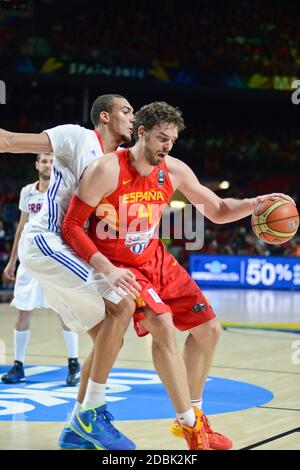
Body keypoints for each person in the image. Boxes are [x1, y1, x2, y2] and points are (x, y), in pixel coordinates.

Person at [62, 101, 295, 451]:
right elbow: (72, 225)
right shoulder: (107, 169)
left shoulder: (173, 170)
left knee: (208, 330)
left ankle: (193, 416)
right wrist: (106, 268)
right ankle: (191, 429)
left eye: (171, 140)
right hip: (121, 265)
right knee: (164, 325)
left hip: (156, 259)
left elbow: (216, 210)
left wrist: (254, 203)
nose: (167, 146)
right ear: (141, 133)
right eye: (161, 138)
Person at [0, 94, 140, 451]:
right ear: (105, 117)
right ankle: (93, 413)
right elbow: (9, 140)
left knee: (109, 336)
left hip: (67, 250)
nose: (132, 116)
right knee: (122, 304)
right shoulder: (76, 137)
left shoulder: (116, 162)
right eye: (127, 111)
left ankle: (75, 426)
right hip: (46, 241)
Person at [1, 153, 80, 386]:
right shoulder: (28, 191)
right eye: (44, 161)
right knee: (23, 311)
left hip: (54, 256)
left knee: (64, 311)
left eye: (52, 161)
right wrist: (12, 260)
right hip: (29, 258)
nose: (48, 165)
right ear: (37, 165)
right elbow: (21, 227)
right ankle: (18, 365)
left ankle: (73, 363)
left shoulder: (65, 189)